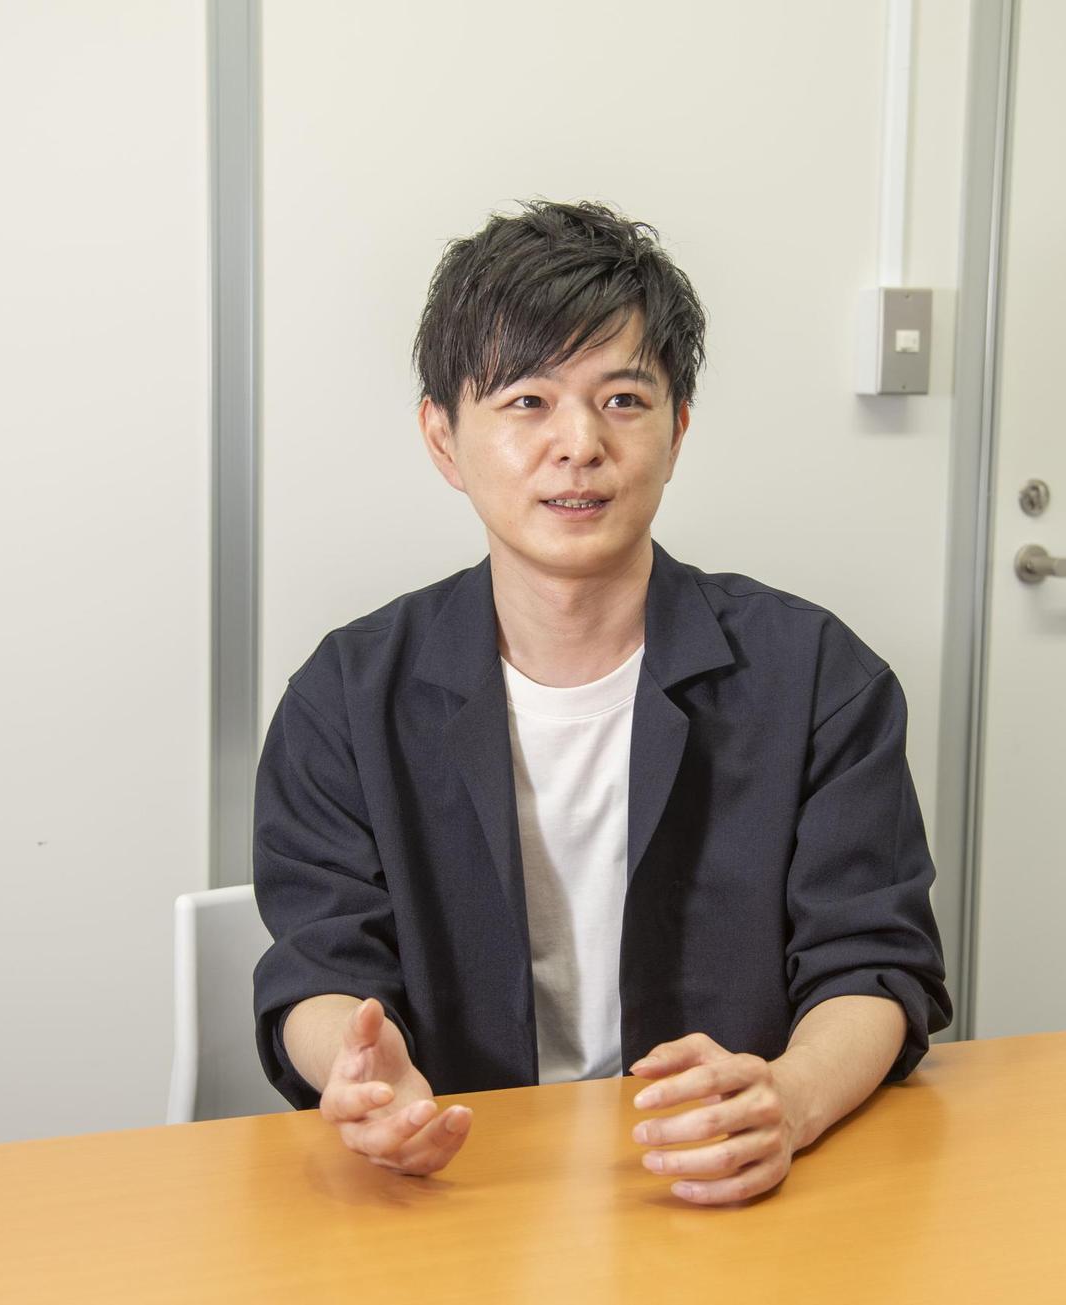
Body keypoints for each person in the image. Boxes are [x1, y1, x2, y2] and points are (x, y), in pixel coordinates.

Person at [251, 198, 951, 1205]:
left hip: (720, 1184)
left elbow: (873, 963)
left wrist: (789, 1101)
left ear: (677, 430)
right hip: (468, 1185)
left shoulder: (817, 678)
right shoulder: (347, 697)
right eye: (527, 400)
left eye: (623, 399)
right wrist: (362, 1077)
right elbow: (319, 967)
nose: (579, 443)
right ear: (443, 439)